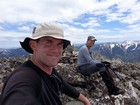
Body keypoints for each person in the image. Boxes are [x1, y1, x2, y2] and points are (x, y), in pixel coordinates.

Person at [0, 22, 91, 105]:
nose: (56, 50)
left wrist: (85, 100)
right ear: (33, 45)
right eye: (48, 42)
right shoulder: (24, 77)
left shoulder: (49, 70)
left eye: (59, 44)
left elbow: (63, 84)